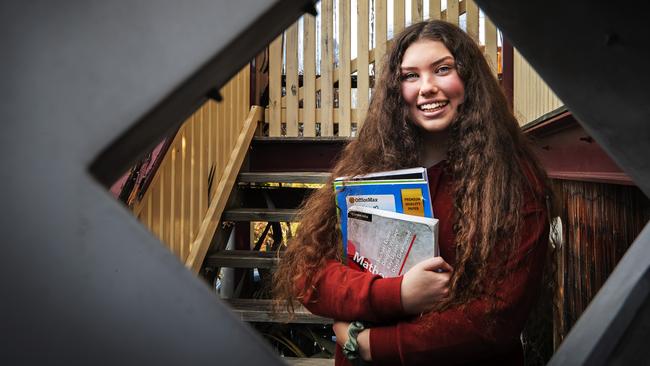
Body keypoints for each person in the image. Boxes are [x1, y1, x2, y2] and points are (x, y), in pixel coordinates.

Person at [273, 20, 552, 366]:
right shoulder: (368, 166)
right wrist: (398, 295)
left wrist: (370, 344)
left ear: (469, 80)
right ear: (396, 89)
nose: (427, 87)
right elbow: (309, 274)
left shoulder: (513, 181)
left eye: (443, 69)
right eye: (410, 76)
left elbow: (495, 319)